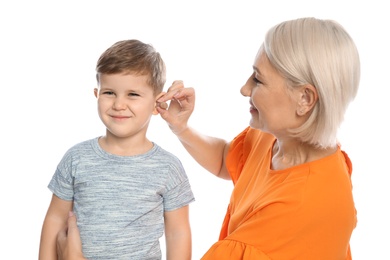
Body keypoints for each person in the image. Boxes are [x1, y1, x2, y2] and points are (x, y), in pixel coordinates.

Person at [57, 17, 360, 259]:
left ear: (304, 99)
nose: (244, 88)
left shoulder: (304, 206)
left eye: (258, 79)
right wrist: (181, 127)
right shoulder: (275, 137)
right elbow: (228, 161)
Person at [39, 39, 195, 260]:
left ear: (156, 103)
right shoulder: (76, 158)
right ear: (97, 94)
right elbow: (55, 219)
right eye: (109, 93)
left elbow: (178, 232)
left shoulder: (169, 167)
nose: (119, 104)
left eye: (133, 94)